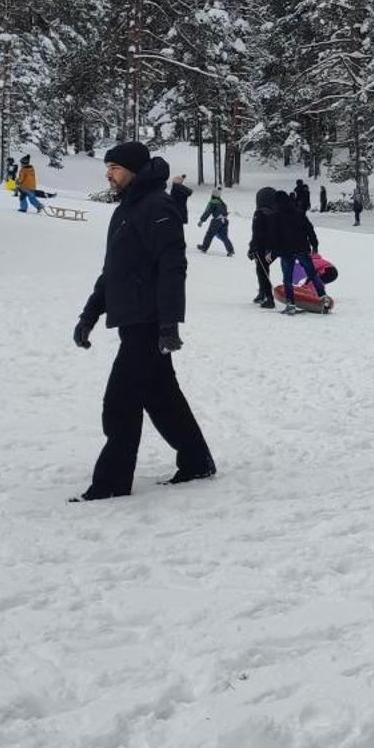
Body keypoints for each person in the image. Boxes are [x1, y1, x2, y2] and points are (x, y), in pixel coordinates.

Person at [69, 141, 213, 500]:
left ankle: (111, 484)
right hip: (133, 319)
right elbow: (113, 271)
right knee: (162, 397)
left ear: (133, 169)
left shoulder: (157, 206)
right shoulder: (127, 209)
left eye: (115, 168)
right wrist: (89, 314)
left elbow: (172, 266)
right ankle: (196, 462)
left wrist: (169, 323)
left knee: (120, 401)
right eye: (108, 167)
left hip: (149, 322)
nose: (109, 174)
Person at [273, 189, 323, 316]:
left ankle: (291, 304)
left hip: (286, 251)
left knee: (287, 279)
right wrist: (314, 245)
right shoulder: (299, 213)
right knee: (312, 274)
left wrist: (272, 250)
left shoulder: (277, 215)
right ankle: (323, 298)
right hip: (302, 248)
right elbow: (309, 230)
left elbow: (274, 236)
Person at [248, 187, 281, 309]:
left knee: (262, 271)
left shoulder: (260, 213)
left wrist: (252, 247)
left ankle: (268, 297)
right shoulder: (277, 212)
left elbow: (257, 233)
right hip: (276, 246)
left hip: (263, 247)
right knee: (263, 269)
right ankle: (262, 292)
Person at [196, 191, 233, 256]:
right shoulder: (222, 203)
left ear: (213, 195)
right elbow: (225, 213)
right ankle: (230, 250)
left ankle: (204, 247)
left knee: (209, 234)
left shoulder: (213, 202)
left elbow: (207, 212)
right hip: (224, 221)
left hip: (216, 221)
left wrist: (201, 220)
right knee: (224, 236)